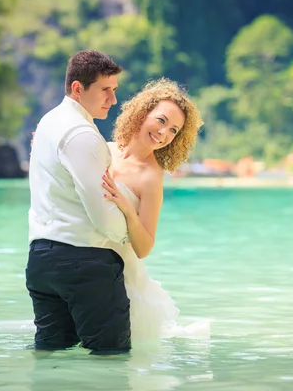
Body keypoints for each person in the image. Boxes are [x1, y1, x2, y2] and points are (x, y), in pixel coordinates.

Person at [25, 50, 132, 353]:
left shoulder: (47, 123)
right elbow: (100, 213)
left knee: (50, 358)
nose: (112, 100)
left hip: (41, 260)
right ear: (77, 88)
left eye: (114, 90)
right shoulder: (81, 134)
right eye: (105, 90)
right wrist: (131, 235)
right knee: (111, 361)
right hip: (83, 263)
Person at [101, 78, 210, 343]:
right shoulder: (103, 150)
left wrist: (128, 210)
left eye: (174, 130)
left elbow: (145, 247)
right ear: (142, 113)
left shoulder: (151, 177)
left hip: (119, 278)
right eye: (161, 121)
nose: (164, 133)